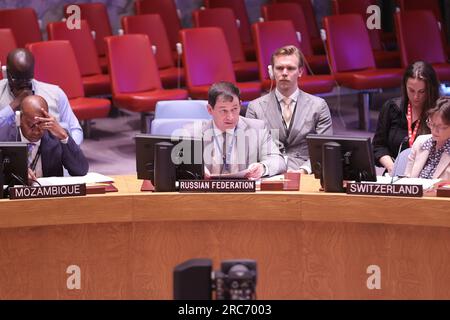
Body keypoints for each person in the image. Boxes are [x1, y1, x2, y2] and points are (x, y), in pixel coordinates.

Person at [246, 45, 332, 174]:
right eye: (279, 68)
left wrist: (304, 170)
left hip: (307, 172)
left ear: (300, 71)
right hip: (269, 173)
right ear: (272, 72)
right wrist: (265, 168)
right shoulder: (255, 107)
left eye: (290, 68)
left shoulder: (319, 106)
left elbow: (325, 147)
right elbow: (251, 150)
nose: (284, 73)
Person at [185, 81, 286, 179]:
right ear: (210, 110)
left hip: (245, 193)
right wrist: (196, 169)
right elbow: (178, 163)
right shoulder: (193, 132)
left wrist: (263, 168)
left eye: (234, 109)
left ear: (240, 105)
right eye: (223, 111)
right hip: (207, 193)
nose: (230, 117)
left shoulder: (257, 128)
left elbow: (278, 161)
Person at [0, 48, 83, 144]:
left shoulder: (55, 94)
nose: (23, 84)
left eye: (27, 79)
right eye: (17, 79)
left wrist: (70, 151)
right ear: (6, 72)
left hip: (50, 156)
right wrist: (13, 106)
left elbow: (75, 130)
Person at [373, 61, 440, 175]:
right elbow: (379, 146)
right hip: (396, 174)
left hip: (430, 175)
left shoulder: (440, 112)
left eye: (422, 91)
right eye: (411, 90)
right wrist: (391, 166)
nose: (416, 97)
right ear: (405, 87)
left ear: (431, 89)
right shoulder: (391, 108)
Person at [13, 95, 88, 183]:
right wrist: (18, 172)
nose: (37, 131)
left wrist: (64, 136)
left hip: (50, 194)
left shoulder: (55, 136)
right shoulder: (5, 136)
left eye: (42, 124)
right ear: (19, 119)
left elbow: (81, 170)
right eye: (31, 125)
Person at [405, 97, 450, 180]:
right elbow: (407, 178)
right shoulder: (420, 142)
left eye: (441, 127)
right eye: (432, 124)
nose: (434, 130)